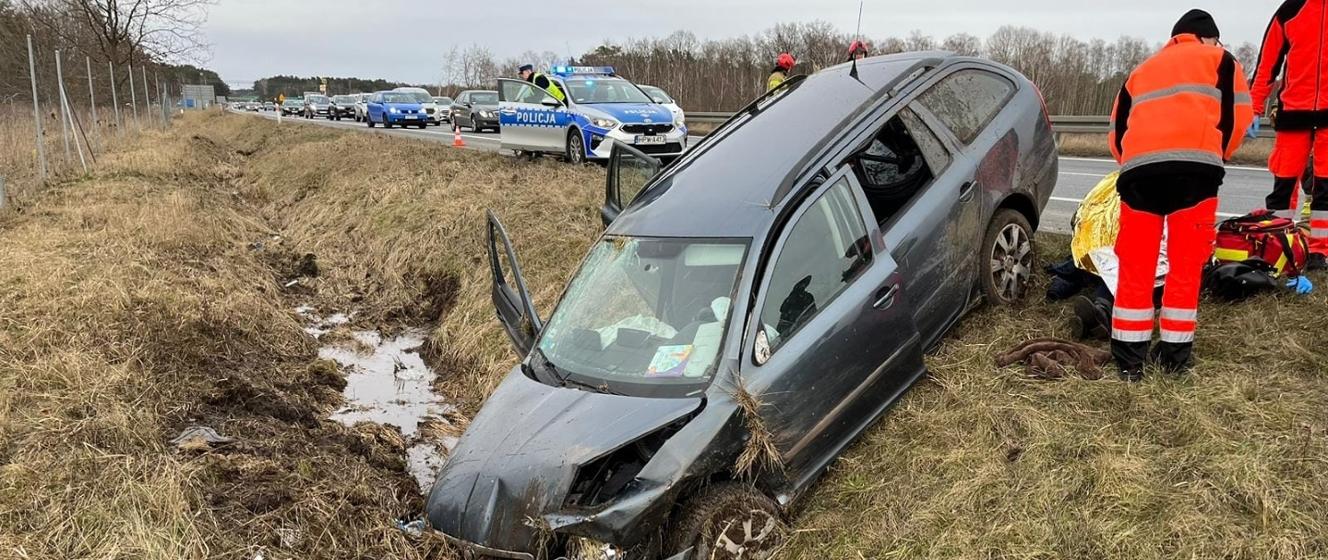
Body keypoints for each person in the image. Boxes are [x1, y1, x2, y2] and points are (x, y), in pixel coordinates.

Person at [1106, 9, 1254, 381]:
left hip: (1139, 174)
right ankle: (1173, 357)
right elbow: (1238, 117)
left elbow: (1116, 131)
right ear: (1208, 37)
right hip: (1195, 174)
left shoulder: (1141, 70)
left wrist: (1134, 163)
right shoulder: (1222, 60)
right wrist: (1216, 155)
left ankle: (1128, 361)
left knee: (1136, 266)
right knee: (1185, 266)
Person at [1250, 0, 1328, 270]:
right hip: (1294, 111)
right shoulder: (1291, 9)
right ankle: (1276, 244)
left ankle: (1321, 252)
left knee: (1326, 188)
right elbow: (1267, 63)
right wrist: (1254, 106)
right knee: (1283, 185)